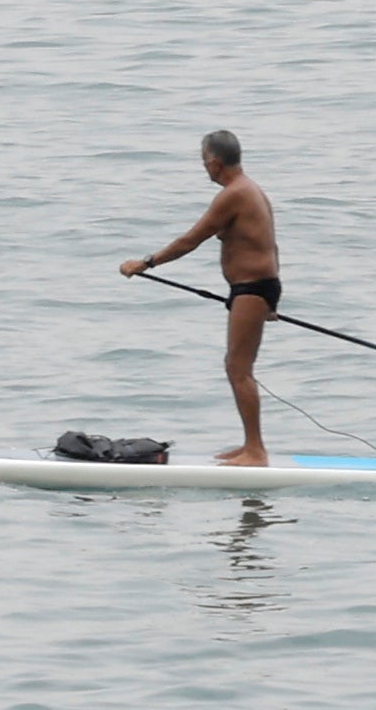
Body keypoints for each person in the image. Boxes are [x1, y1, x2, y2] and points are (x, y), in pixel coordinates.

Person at [118, 130, 282, 469]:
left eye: (203, 162)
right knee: (236, 367)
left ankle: (256, 451)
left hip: (253, 289)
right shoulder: (251, 190)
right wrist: (272, 301)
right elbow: (270, 246)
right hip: (255, 289)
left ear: (215, 162)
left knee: (239, 370)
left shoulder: (234, 194)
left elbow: (191, 239)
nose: (203, 168)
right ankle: (249, 445)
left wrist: (146, 263)